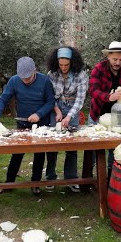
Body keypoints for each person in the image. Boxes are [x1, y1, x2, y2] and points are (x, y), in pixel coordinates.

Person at [0, 56, 55, 195]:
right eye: (23, 78)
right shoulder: (14, 81)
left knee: (39, 154)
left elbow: (50, 102)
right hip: (22, 122)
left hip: (41, 125)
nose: (25, 81)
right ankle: (9, 183)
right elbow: (3, 99)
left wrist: (39, 114)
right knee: (17, 152)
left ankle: (35, 183)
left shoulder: (45, 81)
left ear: (34, 70)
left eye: (28, 78)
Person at [88, 41, 121, 182]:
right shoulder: (98, 69)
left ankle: (112, 179)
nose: (118, 62)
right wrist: (109, 97)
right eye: (115, 59)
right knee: (93, 148)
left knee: (116, 149)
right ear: (108, 56)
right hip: (98, 113)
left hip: (120, 116)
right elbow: (92, 90)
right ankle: (88, 179)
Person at [44, 46, 89, 193]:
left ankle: (71, 178)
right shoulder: (51, 74)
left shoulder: (81, 75)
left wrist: (69, 116)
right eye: (60, 65)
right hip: (55, 107)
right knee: (52, 144)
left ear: (72, 62)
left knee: (72, 145)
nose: (63, 68)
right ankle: (50, 178)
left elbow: (80, 99)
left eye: (66, 65)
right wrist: (57, 111)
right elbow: (49, 96)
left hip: (73, 108)